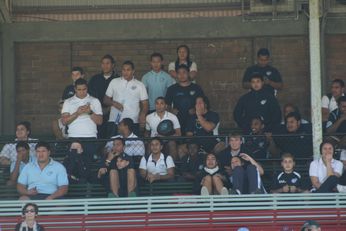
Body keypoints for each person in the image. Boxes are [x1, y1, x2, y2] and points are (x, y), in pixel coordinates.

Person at [61, 78, 103, 161]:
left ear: (87, 88)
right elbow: (64, 122)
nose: (82, 92)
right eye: (79, 89)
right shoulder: (68, 102)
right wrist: (77, 113)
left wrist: (90, 112)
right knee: (74, 164)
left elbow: (100, 122)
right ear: (75, 89)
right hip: (74, 136)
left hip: (90, 137)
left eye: (84, 89)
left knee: (88, 164)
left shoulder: (94, 101)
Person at [104, 60, 148, 136]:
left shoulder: (140, 85)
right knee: (113, 144)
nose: (125, 72)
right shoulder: (114, 82)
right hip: (115, 120)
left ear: (133, 71)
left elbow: (145, 104)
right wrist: (114, 103)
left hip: (133, 121)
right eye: (123, 70)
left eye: (128, 70)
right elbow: (105, 100)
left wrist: (142, 114)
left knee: (133, 145)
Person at [165, 64, 204, 134]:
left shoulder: (196, 88)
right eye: (179, 73)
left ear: (188, 73)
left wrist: (196, 110)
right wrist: (171, 110)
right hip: (177, 120)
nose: (181, 75)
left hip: (193, 119)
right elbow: (166, 105)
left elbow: (204, 104)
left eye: (184, 72)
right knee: (178, 142)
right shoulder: (171, 89)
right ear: (176, 75)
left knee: (192, 143)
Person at [88, 54, 119, 138]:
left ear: (113, 65)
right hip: (97, 114)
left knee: (112, 138)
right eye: (103, 63)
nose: (105, 66)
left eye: (107, 63)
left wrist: (109, 108)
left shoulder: (118, 79)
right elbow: (89, 96)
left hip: (113, 114)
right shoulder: (95, 79)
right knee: (98, 139)